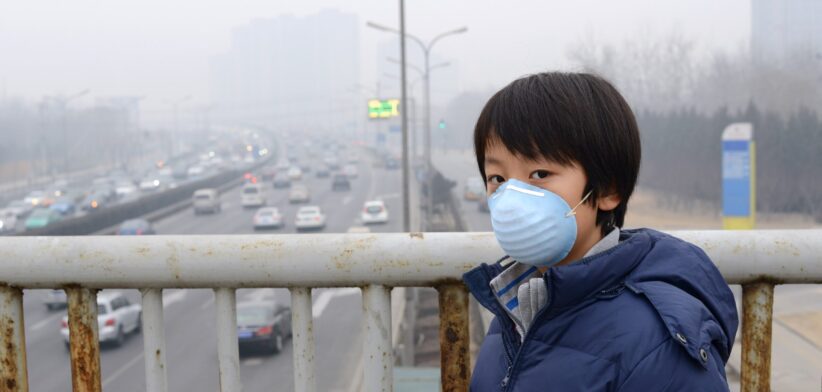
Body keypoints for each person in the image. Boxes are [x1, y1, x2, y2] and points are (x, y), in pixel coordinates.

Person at [462, 72, 738, 391]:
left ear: (608, 189)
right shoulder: (514, 311)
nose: (510, 198)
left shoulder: (656, 343)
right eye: (497, 178)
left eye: (539, 173)